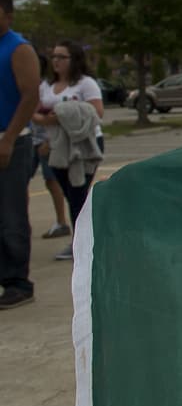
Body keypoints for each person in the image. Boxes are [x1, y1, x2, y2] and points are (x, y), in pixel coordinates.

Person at [31, 40, 105, 261]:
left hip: (83, 147)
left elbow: (96, 112)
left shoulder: (85, 84)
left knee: (78, 194)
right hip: (55, 147)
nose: (56, 61)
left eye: (61, 57)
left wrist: (63, 115)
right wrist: (49, 120)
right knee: (70, 195)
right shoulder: (46, 86)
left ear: (74, 60)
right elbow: (34, 113)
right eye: (54, 57)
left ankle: (83, 244)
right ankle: (80, 241)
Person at [0, 0, 40, 309]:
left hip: (12, 139)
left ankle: (18, 281)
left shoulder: (18, 48)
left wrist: (9, 138)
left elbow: (29, 96)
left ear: (9, 15)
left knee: (11, 213)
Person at [28, 53, 71, 238]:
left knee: (52, 180)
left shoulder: (44, 86)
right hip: (26, 139)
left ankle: (62, 222)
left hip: (46, 140)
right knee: (18, 182)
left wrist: (48, 140)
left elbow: (45, 114)